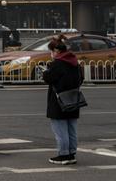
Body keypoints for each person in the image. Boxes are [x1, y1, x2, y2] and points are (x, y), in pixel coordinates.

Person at [43, 35, 83, 165]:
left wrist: (45, 72)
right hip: (73, 97)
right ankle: (71, 153)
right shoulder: (74, 62)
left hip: (59, 100)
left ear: (57, 51)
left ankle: (63, 154)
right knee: (71, 128)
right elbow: (80, 78)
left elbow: (49, 78)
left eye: (51, 51)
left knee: (60, 129)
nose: (51, 54)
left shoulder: (57, 64)